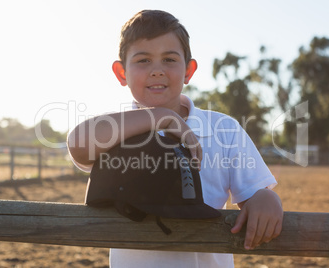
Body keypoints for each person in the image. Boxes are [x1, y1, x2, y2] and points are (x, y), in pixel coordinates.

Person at [67, 9, 283, 268]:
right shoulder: (116, 129)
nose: (157, 70)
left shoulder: (223, 129)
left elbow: (252, 195)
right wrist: (161, 117)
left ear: (188, 71)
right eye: (143, 60)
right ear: (121, 73)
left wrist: (266, 199)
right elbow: (78, 144)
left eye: (169, 59)